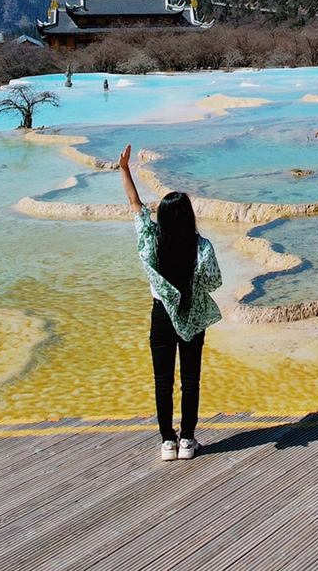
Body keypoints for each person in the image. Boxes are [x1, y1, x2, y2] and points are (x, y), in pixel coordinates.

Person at [117, 144, 222, 460]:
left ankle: (167, 442)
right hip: (191, 316)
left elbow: (135, 203)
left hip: (161, 316)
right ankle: (188, 440)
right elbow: (213, 281)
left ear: (160, 217)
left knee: (163, 381)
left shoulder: (151, 241)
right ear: (190, 218)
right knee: (191, 380)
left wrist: (124, 168)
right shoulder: (201, 247)